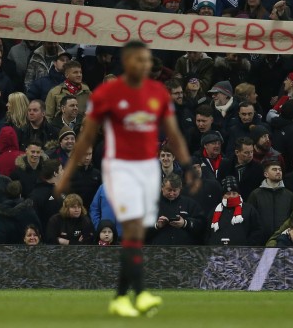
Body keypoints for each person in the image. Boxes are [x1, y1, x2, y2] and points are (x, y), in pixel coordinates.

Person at [54, 41, 194, 317]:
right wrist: (68, 172)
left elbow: (173, 133)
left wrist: (187, 165)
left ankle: (122, 296)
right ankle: (138, 295)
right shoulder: (108, 94)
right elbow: (86, 136)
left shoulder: (157, 92)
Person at [146, 174, 205, 245]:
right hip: (158, 251)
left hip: (185, 252)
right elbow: (140, 230)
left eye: (175, 190)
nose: (171, 193)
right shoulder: (152, 205)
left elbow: (202, 226)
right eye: (169, 190)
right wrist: (157, 225)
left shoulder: (190, 204)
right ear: (162, 188)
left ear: (180, 189)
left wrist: (185, 223)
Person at [206, 176, 263, 246]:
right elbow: (207, 234)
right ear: (223, 195)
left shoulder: (249, 210)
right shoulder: (214, 211)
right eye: (228, 193)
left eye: (234, 193)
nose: (231, 196)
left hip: (243, 253)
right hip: (217, 253)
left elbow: (257, 231)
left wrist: (247, 247)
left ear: (238, 194)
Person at [248, 159, 293, 241]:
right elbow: (250, 219)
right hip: (260, 241)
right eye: (274, 169)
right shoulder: (255, 194)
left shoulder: (289, 195)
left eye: (280, 170)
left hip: (283, 240)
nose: (278, 172)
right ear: (266, 174)